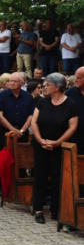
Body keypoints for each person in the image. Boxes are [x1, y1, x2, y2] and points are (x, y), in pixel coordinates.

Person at [31, 73, 77, 227]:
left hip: (59, 147)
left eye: (47, 85)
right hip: (41, 145)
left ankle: (56, 209)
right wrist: (39, 140)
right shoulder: (42, 102)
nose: (44, 87)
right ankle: (38, 209)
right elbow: (34, 122)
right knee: (40, 176)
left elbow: (72, 127)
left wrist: (57, 142)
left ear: (57, 87)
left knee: (58, 178)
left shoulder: (70, 104)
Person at [0, 73, 35, 196]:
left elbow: (31, 115)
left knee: (21, 159)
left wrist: (22, 130)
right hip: (5, 132)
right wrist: (12, 129)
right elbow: (0, 115)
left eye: (15, 81)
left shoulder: (28, 96)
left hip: (22, 133)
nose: (12, 83)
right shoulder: (2, 95)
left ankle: (20, 189)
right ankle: (1, 187)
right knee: (4, 159)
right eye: (10, 81)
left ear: (22, 83)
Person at [66, 67, 84, 154]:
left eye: (79, 78)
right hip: (74, 138)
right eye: (75, 77)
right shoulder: (70, 93)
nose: (75, 80)